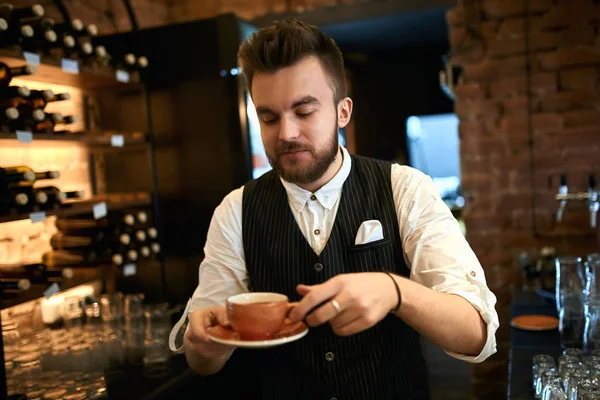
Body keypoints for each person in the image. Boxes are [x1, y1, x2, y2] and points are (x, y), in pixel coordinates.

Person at [170, 19, 499, 400]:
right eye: (269, 117)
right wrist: (204, 345)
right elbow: (202, 362)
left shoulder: (404, 189)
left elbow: (477, 333)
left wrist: (396, 292)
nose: (286, 134)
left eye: (304, 111)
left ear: (343, 112)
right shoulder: (235, 211)